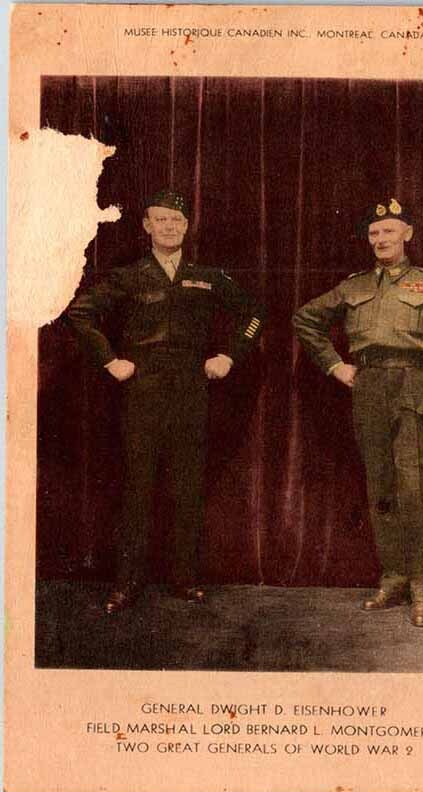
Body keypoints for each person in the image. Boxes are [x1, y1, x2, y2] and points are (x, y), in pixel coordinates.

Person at [67, 190, 264, 614]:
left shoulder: (207, 276)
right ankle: (126, 583)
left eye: (176, 220)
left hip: (192, 390)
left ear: (187, 226)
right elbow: (80, 313)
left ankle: (184, 579)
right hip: (143, 391)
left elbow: (253, 314)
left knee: (187, 487)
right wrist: (110, 361)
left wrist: (229, 356)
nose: (169, 227)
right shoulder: (129, 276)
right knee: (137, 488)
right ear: (147, 226)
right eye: (161, 219)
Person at [292, 198, 423, 627]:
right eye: (374, 233)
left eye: (389, 230)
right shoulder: (354, 286)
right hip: (369, 390)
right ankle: (394, 578)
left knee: (416, 490)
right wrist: (335, 365)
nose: (381, 239)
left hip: (416, 389)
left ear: (408, 233)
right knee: (382, 490)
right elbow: (305, 319)